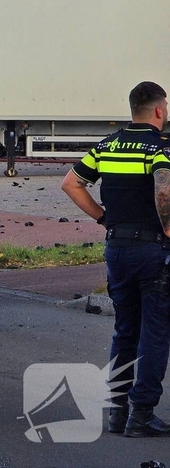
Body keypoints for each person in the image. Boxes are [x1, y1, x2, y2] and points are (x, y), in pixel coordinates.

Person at [61, 81, 170, 437]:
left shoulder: (107, 145)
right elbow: (164, 187)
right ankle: (142, 413)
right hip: (151, 250)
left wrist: (103, 217)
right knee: (155, 333)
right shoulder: (157, 147)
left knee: (125, 330)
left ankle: (117, 410)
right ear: (158, 110)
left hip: (116, 249)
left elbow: (71, 183)